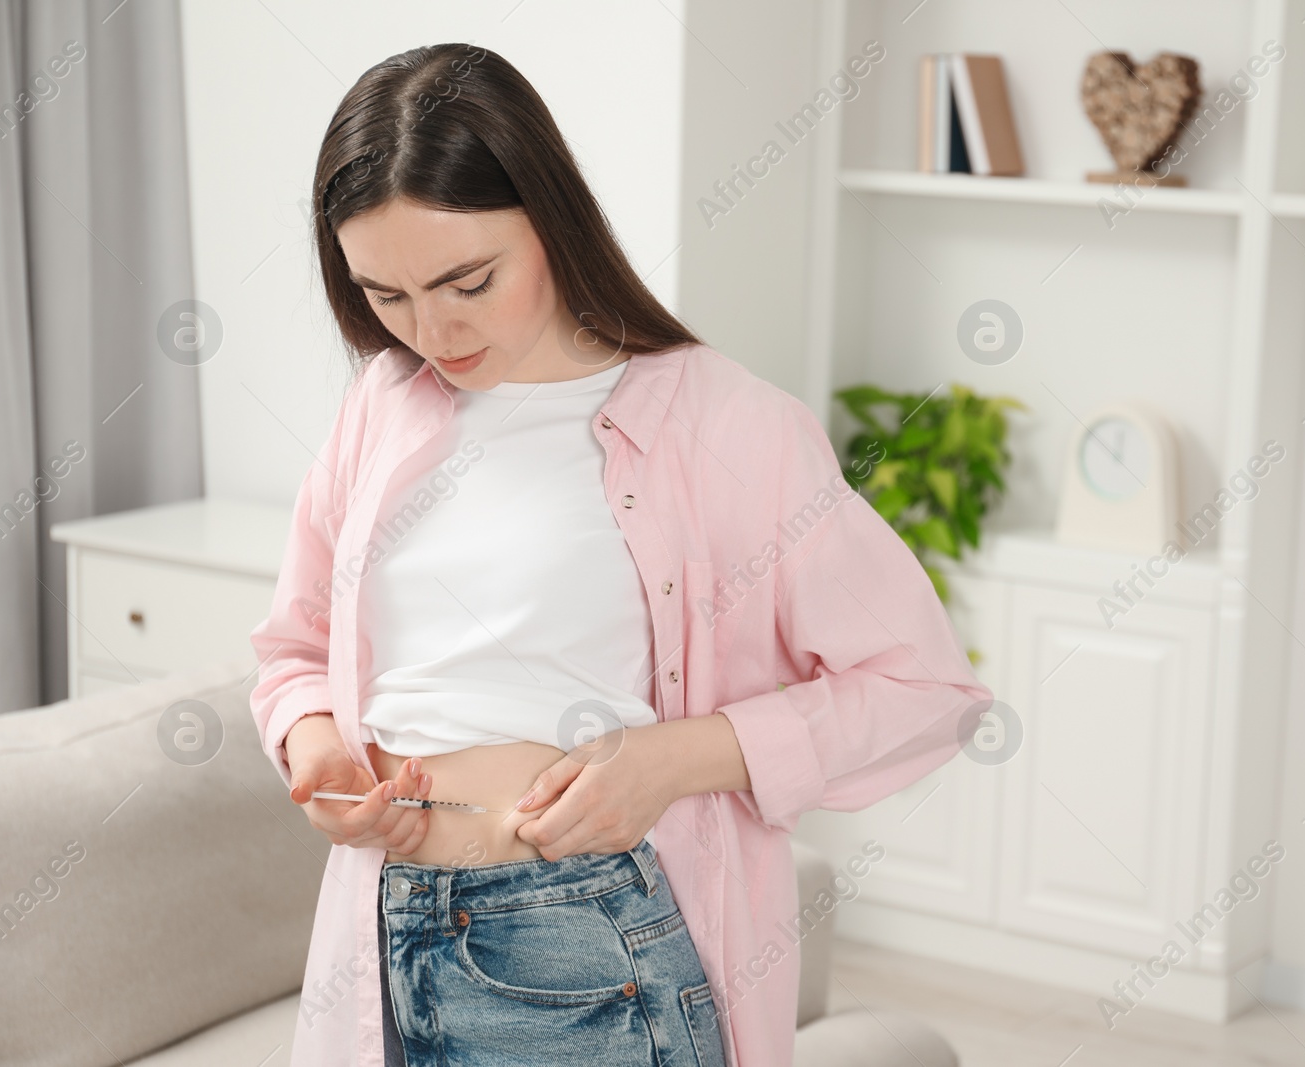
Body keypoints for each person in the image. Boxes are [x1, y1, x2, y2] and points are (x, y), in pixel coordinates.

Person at [249, 41, 992, 1067]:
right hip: (385, 927)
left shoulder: (728, 425)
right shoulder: (379, 408)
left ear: (551, 219)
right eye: (385, 294)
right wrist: (317, 744)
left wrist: (668, 759)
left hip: (589, 937)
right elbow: (293, 650)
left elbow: (922, 690)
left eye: (469, 279)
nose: (432, 329)